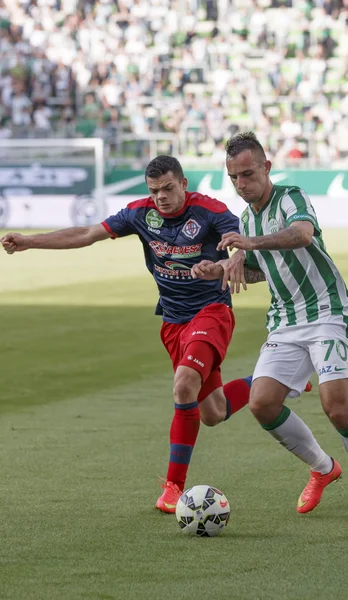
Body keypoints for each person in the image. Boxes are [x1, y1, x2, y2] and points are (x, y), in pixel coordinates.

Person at [1, 155, 256, 514]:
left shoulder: (210, 211)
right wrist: (30, 241)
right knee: (212, 411)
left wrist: (231, 261)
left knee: (184, 384)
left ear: (183, 184)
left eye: (168, 188)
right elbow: (87, 233)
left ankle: (173, 489)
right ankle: (274, 380)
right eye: (154, 191)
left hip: (211, 313)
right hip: (172, 322)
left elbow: (241, 243)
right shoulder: (140, 213)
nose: (161, 197)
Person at [193, 132, 348, 522]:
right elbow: (260, 270)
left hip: (327, 312)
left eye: (247, 174)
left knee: (336, 409)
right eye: (233, 178)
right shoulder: (248, 217)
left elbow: (301, 235)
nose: (241, 184)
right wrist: (218, 269)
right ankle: (322, 467)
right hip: (285, 320)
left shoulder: (290, 198)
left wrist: (248, 244)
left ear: (267, 167)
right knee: (262, 403)